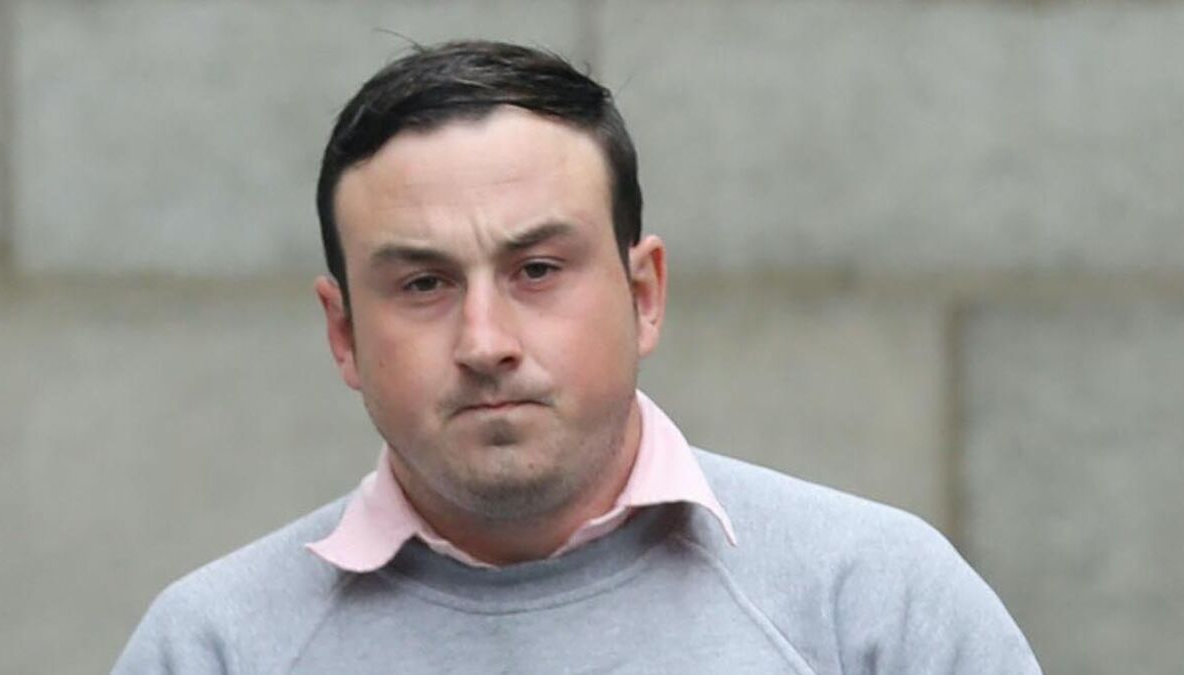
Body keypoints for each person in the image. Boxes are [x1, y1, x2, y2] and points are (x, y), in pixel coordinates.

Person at [113, 40, 1041, 674]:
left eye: (538, 269)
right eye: (424, 283)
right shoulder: (215, 648)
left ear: (644, 294)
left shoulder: (872, 605)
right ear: (344, 333)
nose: (486, 342)